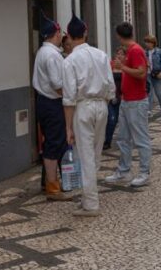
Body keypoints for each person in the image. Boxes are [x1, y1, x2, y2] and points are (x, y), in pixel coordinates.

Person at [62, 15, 116, 217]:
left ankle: (91, 204)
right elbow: (111, 87)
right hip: (101, 105)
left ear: (68, 36)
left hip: (82, 107)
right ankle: (88, 197)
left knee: (85, 155)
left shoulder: (70, 61)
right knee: (95, 153)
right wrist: (104, 103)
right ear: (85, 33)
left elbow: (68, 98)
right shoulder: (101, 55)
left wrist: (68, 127)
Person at [105, 22, 152, 187]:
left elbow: (141, 73)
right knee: (123, 138)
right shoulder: (131, 51)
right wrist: (124, 64)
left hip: (137, 101)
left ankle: (144, 172)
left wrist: (122, 67)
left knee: (141, 138)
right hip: (127, 101)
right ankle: (123, 171)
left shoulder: (136, 50)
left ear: (118, 36)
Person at [33, 13, 73, 201]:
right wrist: (71, 97)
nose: (61, 36)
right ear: (55, 34)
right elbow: (57, 84)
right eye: (59, 33)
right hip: (52, 104)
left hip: (46, 102)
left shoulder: (45, 52)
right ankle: (52, 187)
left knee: (55, 142)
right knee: (54, 143)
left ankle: (50, 182)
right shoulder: (51, 56)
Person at [104, 48, 124, 150]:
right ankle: (107, 141)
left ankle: (122, 142)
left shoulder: (126, 67)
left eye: (121, 54)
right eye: (118, 53)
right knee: (111, 119)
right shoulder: (110, 64)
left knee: (117, 120)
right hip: (110, 97)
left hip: (121, 98)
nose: (119, 56)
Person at [145, 35, 161, 117]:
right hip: (148, 74)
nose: (147, 44)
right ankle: (149, 110)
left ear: (153, 43)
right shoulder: (145, 52)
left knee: (158, 93)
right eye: (146, 42)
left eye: (148, 42)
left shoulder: (159, 51)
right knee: (149, 92)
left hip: (157, 74)